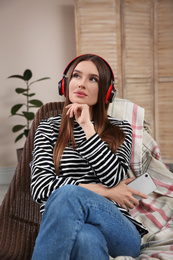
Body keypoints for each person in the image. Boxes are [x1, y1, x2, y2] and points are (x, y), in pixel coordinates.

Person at [30, 54, 148, 260]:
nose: (82, 84)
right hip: (67, 227)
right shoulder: (48, 128)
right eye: (77, 76)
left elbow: (114, 179)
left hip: (118, 230)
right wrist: (105, 191)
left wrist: (87, 127)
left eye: (93, 79)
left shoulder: (120, 129)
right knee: (87, 238)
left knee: (67, 194)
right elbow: (40, 187)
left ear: (106, 92)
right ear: (65, 84)